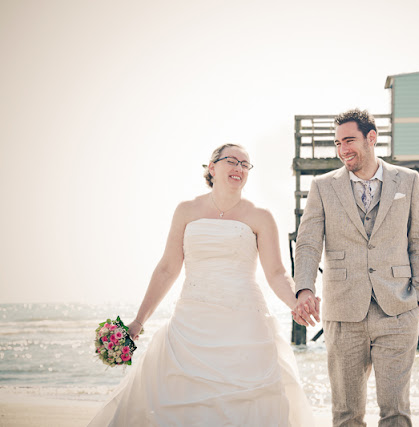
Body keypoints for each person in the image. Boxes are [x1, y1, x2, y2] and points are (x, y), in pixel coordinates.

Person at [88, 144, 314, 426]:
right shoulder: (186, 211)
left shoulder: (261, 217)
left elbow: (277, 273)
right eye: (232, 161)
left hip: (244, 323)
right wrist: (137, 321)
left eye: (245, 165)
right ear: (212, 167)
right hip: (191, 323)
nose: (239, 168)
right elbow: (167, 268)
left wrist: (295, 303)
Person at [292, 109, 419, 426]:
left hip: (398, 310)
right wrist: (304, 289)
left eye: (350, 140)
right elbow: (308, 243)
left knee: (396, 412)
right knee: (346, 415)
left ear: (371, 138)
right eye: (338, 143)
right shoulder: (323, 186)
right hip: (343, 312)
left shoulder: (408, 181)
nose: (343, 150)